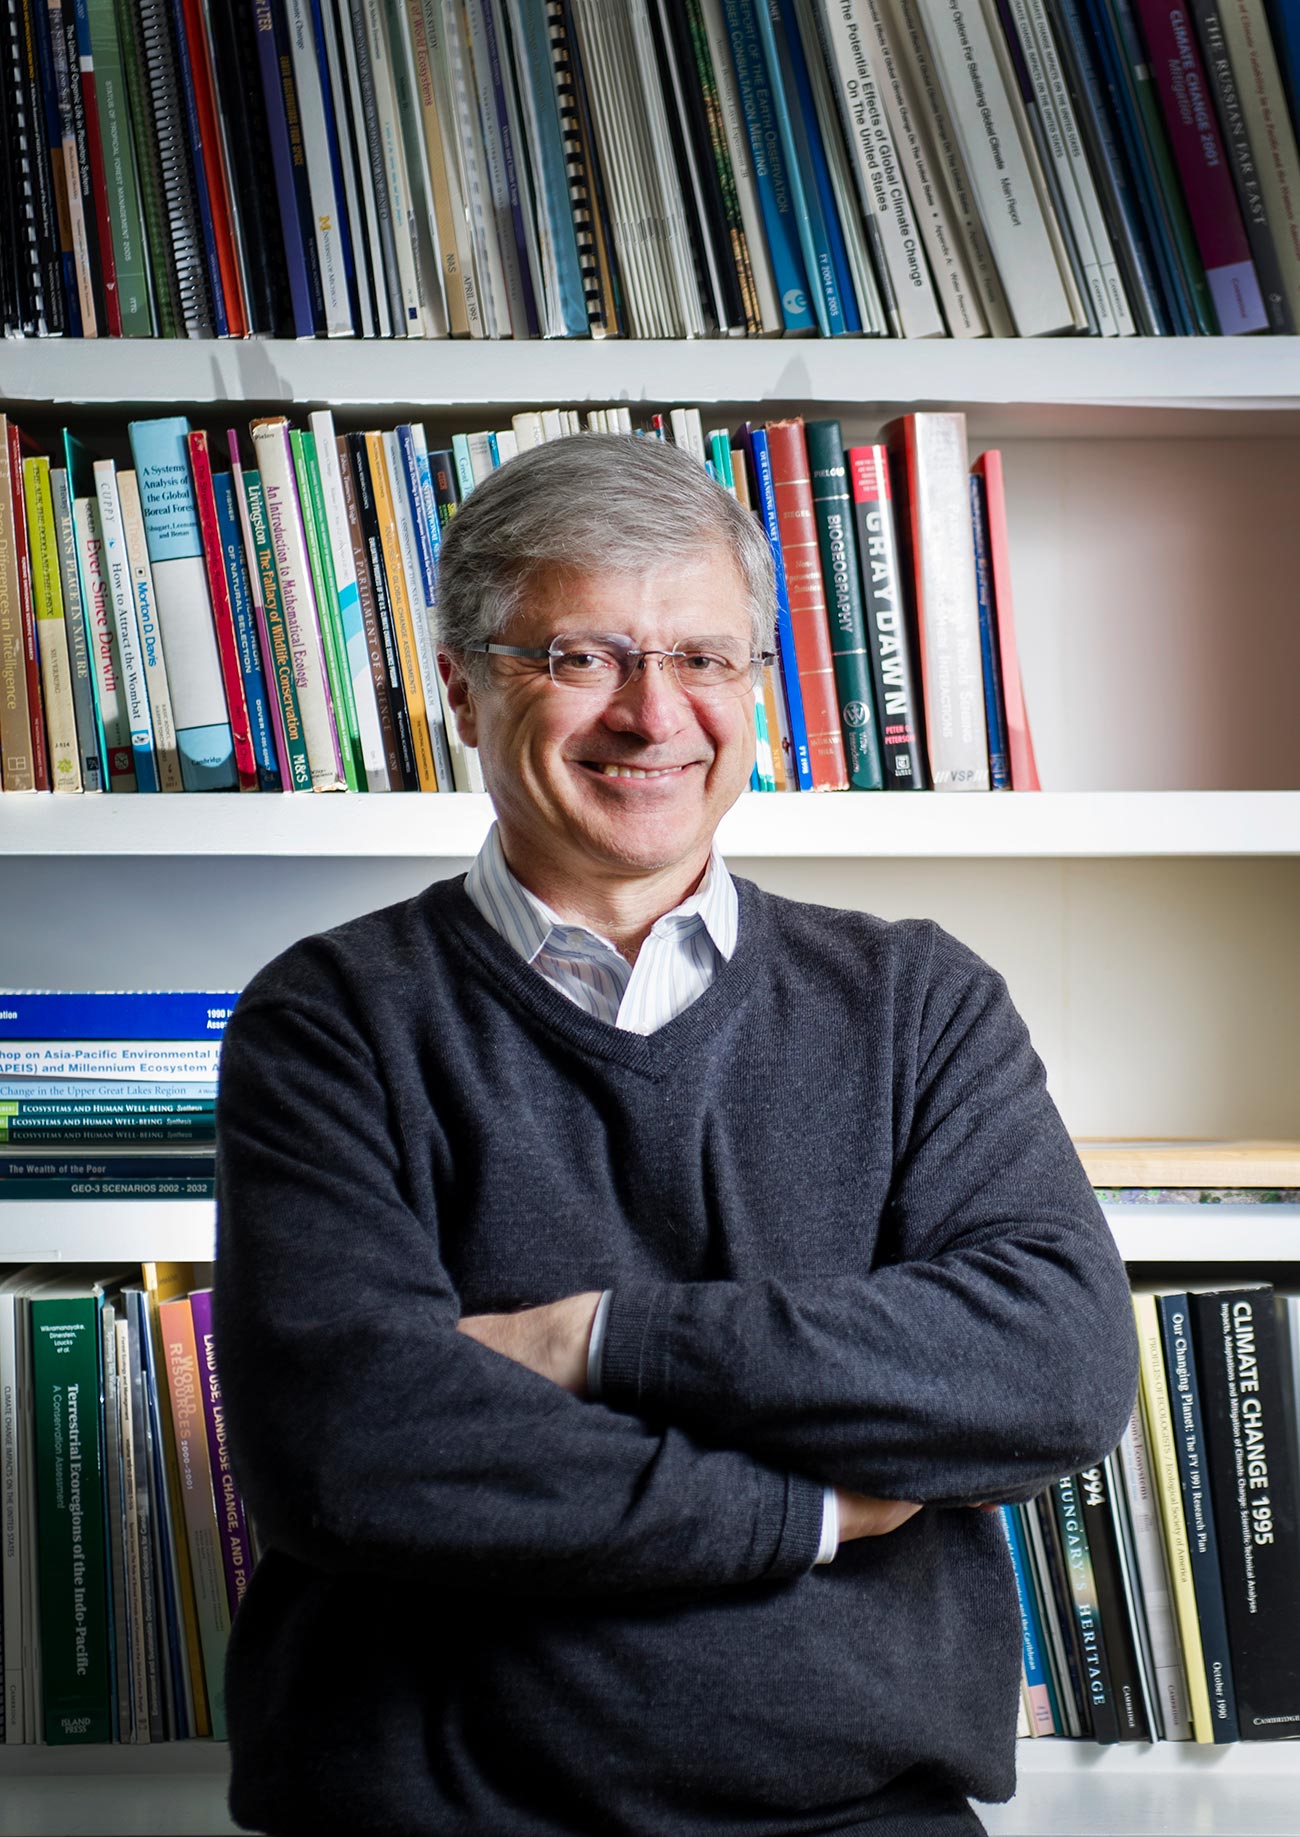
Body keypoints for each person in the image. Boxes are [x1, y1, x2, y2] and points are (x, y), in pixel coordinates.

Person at [214, 433, 1139, 1837]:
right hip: (432, 1814)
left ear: (756, 689)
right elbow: (350, 1450)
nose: (657, 716)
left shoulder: (917, 1000)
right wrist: (817, 1511)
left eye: (706, 658)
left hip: (856, 1812)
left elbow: (1055, 1366)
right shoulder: (330, 1016)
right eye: (583, 654)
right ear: (459, 687)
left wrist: (595, 1340)